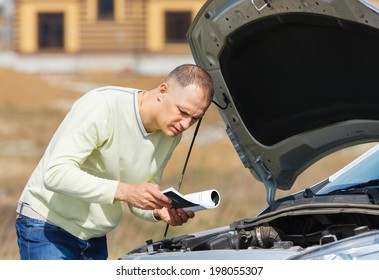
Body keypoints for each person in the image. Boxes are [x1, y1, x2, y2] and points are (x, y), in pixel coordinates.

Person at [15, 64, 214, 260]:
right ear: (163, 90)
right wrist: (125, 191)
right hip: (47, 228)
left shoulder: (170, 135)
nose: (186, 124)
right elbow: (55, 174)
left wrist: (157, 210)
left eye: (195, 118)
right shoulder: (102, 105)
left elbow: (138, 193)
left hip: (95, 239)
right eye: (183, 112)